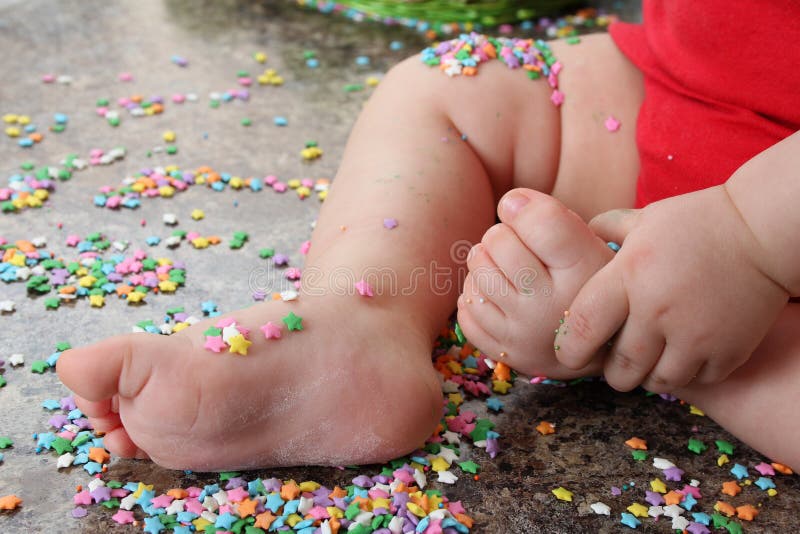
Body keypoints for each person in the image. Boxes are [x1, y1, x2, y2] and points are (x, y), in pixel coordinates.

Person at [57, 0, 800, 471]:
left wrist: (746, 238)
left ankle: (661, 340)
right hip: (694, 95)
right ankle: (356, 320)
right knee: (455, 82)